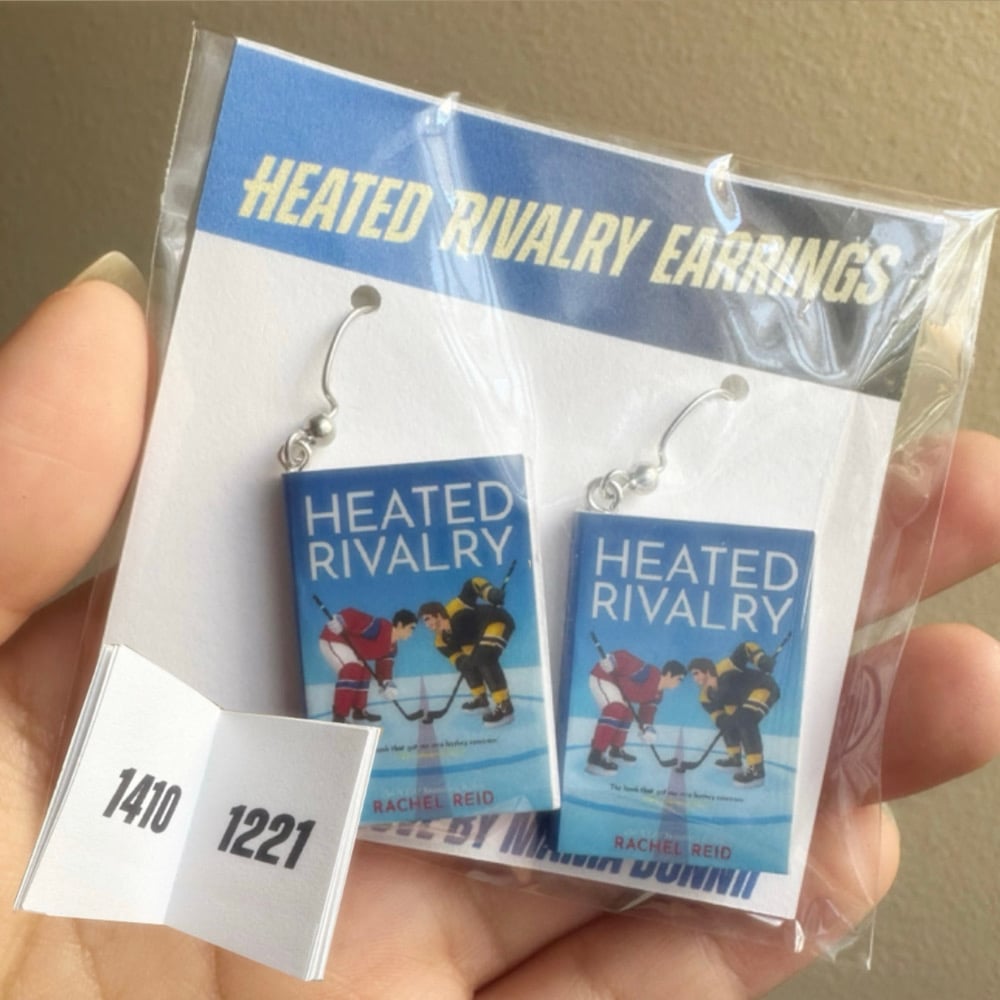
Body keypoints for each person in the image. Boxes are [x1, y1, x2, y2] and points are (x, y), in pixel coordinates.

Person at [3, 261, 1000, 997]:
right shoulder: (396, 626)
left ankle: (630, 758)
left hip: (616, 728)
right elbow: (407, 639)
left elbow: (712, 683)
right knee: (460, 700)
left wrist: (682, 687)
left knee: (588, 718)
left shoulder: (660, 662)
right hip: (387, 737)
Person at [418, 576, 516, 727]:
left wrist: (490, 593)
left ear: (438, 614)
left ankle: (504, 706)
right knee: (467, 664)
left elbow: (472, 584)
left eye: (427, 619)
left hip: (495, 622)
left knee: (484, 658)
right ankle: (480, 699)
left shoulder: (453, 607)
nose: (427, 625)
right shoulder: (440, 641)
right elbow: (456, 657)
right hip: (475, 639)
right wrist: (461, 662)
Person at [687, 641, 781, 788]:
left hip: (763, 687)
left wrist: (760, 659)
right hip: (738, 701)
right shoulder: (705, 696)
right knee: (728, 723)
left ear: (707, 670)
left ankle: (756, 770)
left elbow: (745, 647)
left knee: (745, 719)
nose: (694, 679)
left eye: (696, 673)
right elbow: (717, 715)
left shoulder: (724, 667)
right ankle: (734, 759)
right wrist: (723, 721)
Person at [586, 651, 686, 775]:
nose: (679, 683)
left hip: (616, 687)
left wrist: (647, 728)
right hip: (604, 677)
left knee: (627, 713)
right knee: (615, 709)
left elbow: (647, 712)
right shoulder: (649, 673)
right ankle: (596, 755)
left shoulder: (658, 695)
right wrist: (613, 661)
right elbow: (626, 658)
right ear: (669, 674)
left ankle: (616, 750)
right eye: (679, 679)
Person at [318, 606, 416, 723]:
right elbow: (353, 615)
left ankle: (359, 711)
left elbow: (384, 668)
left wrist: (387, 684)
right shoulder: (380, 628)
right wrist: (340, 620)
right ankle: (339, 715)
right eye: (411, 628)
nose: (412, 633)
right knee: (352, 670)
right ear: (400, 624)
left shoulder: (392, 648)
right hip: (334, 639)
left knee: (364, 672)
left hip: (351, 649)